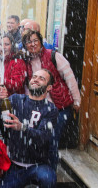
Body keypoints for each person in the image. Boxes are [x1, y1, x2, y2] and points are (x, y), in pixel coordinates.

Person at [21, 30, 81, 171]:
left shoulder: (54, 56)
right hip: (40, 108)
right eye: (29, 42)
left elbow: (70, 77)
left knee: (52, 141)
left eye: (35, 40)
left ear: (41, 42)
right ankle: (39, 173)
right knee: (40, 141)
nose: (32, 44)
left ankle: (50, 174)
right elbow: (27, 85)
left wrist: (77, 100)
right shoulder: (26, 60)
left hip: (59, 106)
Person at [0, 69, 58, 188]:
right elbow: (2, 123)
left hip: (38, 165)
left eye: (41, 78)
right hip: (14, 165)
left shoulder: (51, 109)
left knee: (49, 180)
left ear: (49, 87)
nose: (36, 79)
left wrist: (22, 128)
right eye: (34, 76)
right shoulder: (15, 99)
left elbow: (43, 137)